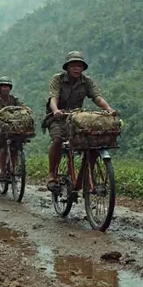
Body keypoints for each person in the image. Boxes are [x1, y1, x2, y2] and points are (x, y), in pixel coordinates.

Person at [43, 51, 115, 192]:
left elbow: (97, 97)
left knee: (92, 143)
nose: (76, 69)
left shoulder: (86, 81)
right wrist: (56, 110)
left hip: (77, 118)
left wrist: (109, 109)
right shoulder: (57, 79)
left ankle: (85, 177)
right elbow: (53, 98)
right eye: (73, 66)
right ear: (67, 67)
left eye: (79, 66)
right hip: (58, 117)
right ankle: (52, 174)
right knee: (57, 139)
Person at [0, 77, 31, 181]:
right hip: (1, 126)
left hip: (13, 127)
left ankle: (14, 167)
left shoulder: (14, 99)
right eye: (3, 86)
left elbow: (22, 106)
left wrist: (27, 110)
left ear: (10, 88)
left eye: (7, 86)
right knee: (2, 146)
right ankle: (2, 170)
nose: (5, 88)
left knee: (15, 146)